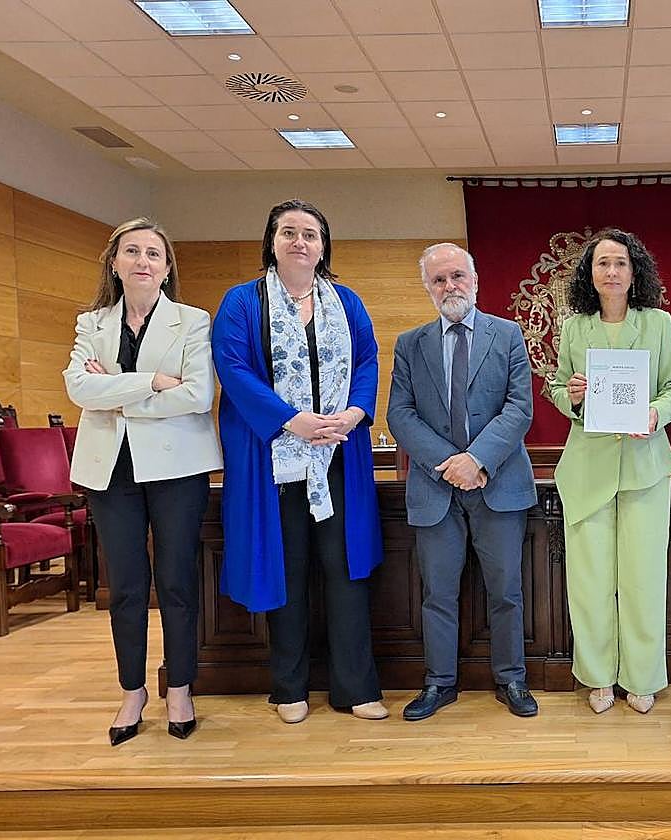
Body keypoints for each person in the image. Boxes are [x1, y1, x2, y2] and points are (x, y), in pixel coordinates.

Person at [212, 199, 387, 725]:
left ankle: (356, 688)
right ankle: (289, 688)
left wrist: (355, 412)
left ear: (323, 247)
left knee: (344, 569)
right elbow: (233, 369)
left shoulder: (346, 301)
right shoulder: (243, 302)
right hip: (275, 460)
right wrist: (292, 420)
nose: (300, 242)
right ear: (271, 242)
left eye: (310, 234)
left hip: (339, 455)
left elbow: (368, 360)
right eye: (288, 232)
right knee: (285, 568)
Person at [63, 217, 222, 745]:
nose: (143, 261)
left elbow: (197, 396)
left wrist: (115, 390)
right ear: (115, 263)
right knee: (127, 587)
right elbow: (79, 389)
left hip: (178, 470)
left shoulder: (192, 320)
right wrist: (152, 381)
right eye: (132, 251)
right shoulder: (93, 323)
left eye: (154, 253)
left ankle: (180, 686)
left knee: (176, 581)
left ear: (167, 267)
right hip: (110, 471)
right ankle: (132, 690)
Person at [387, 243, 539, 720]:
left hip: (498, 484)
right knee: (437, 593)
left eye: (457, 276)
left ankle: (512, 679)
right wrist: (449, 463)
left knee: (506, 591)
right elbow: (400, 414)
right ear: (427, 288)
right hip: (435, 488)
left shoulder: (508, 335)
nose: (449, 286)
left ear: (475, 280)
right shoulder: (410, 344)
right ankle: (439, 683)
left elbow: (519, 408)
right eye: (439, 280)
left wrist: (477, 460)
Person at [549, 229, 671, 715]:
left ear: (634, 272)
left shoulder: (658, 323)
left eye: (621, 263)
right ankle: (598, 676)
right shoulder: (575, 328)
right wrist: (572, 396)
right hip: (587, 468)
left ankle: (642, 676)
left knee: (643, 578)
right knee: (589, 582)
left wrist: (655, 413)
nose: (612, 271)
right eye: (603, 263)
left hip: (644, 467)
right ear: (590, 274)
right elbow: (557, 387)